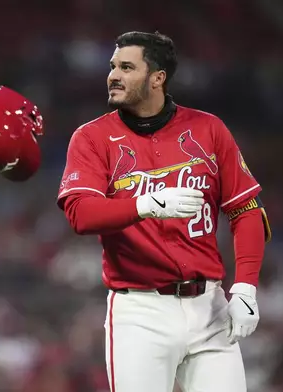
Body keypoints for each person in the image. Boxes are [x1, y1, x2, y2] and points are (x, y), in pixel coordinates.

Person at [57, 32, 271, 392]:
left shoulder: (208, 129)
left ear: (158, 77)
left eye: (127, 67)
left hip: (210, 307)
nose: (113, 75)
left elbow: (246, 208)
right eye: (113, 67)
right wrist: (146, 204)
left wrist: (247, 287)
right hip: (140, 312)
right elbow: (81, 213)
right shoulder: (91, 137)